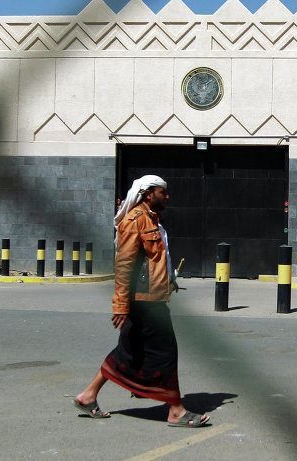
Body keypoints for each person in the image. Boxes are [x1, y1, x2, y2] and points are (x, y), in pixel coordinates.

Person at [74, 175, 210, 427]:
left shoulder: (151, 220)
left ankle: (87, 395)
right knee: (166, 352)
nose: (167, 196)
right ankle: (176, 410)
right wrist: (121, 305)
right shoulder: (134, 221)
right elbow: (125, 265)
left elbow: (155, 260)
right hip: (143, 301)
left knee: (128, 351)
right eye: (163, 192)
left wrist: (169, 279)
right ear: (148, 193)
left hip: (153, 297)